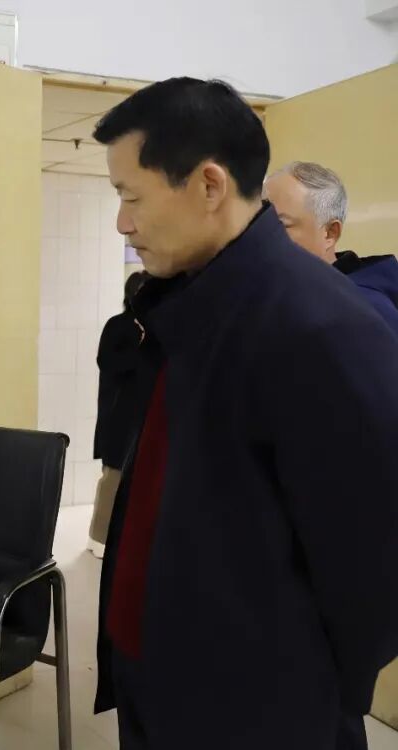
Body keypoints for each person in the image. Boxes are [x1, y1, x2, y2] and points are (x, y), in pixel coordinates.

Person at [90, 78, 398, 749]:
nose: (122, 224)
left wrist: (306, 692)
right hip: (161, 683)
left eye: (131, 197)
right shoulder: (187, 308)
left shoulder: (319, 327)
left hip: (259, 713)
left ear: (209, 186)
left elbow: (375, 564)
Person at [264, 161, 398, 334]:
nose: (261, 235)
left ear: (329, 233)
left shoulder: (363, 313)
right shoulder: (279, 295)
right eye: (259, 222)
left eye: (279, 224)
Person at [89, 271, 148, 559]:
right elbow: (107, 361)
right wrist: (142, 348)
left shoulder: (154, 329)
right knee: (113, 478)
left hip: (143, 418)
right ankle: (99, 539)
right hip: (119, 417)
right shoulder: (119, 325)